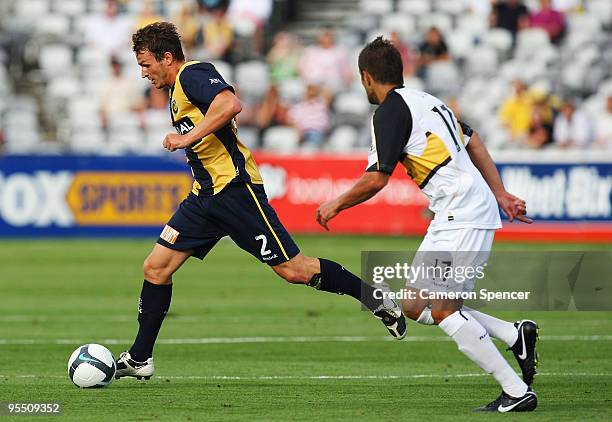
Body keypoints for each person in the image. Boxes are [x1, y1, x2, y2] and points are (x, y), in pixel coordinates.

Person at [114, 22, 406, 380]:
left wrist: (188, 139)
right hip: (204, 197)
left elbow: (230, 104)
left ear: (167, 57)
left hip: (236, 191)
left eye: (146, 65)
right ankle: (141, 357)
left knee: (294, 270)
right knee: (155, 268)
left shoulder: (193, 74)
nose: (143, 73)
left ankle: (374, 298)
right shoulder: (175, 90)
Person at [316, 37, 538, 413]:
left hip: (461, 213)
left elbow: (378, 177)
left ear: (367, 77)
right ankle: (513, 334)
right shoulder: (428, 101)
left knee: (444, 310)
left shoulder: (389, 112)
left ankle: (516, 391)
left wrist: (335, 203)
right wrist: (499, 193)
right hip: (457, 211)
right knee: (416, 303)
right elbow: (475, 141)